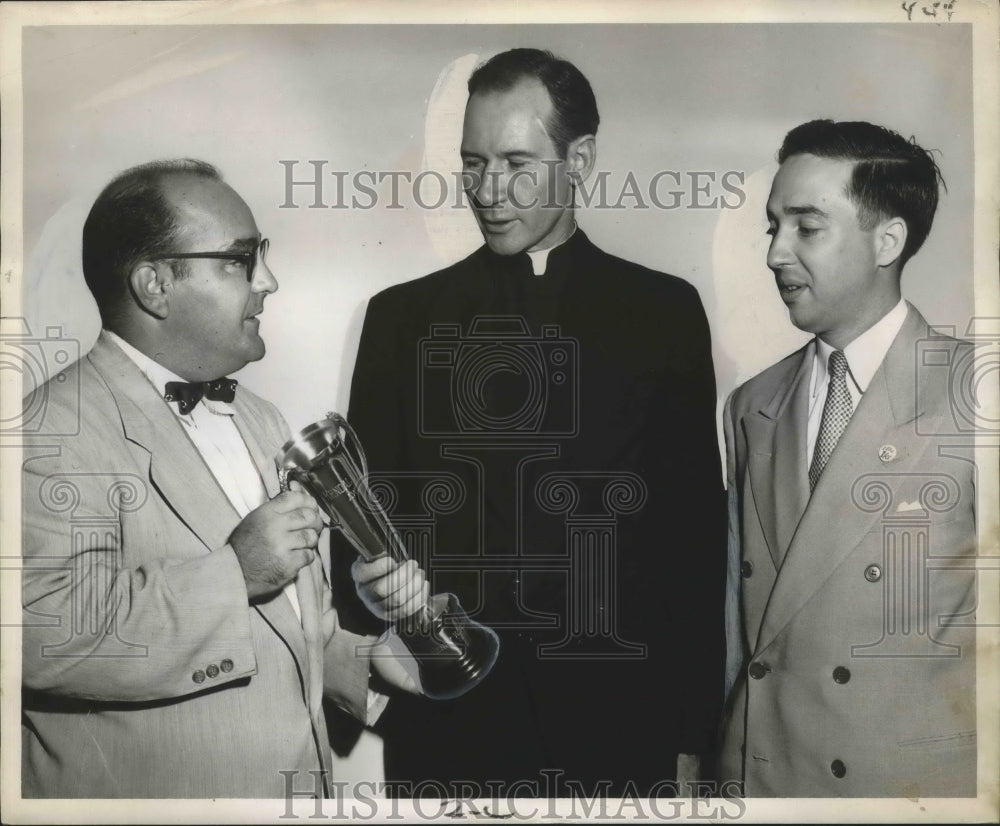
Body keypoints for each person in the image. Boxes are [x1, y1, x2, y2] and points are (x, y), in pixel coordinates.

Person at [338, 48, 726, 797]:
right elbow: (357, 526)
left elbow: (692, 544)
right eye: (472, 162)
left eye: (517, 162)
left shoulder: (664, 313)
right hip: (445, 724)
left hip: (620, 723)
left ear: (579, 159)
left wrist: (691, 735)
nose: (488, 191)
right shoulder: (399, 320)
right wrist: (384, 677)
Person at [20, 160, 429, 798]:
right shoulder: (50, 427)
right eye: (240, 260)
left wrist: (368, 659)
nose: (268, 281)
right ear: (154, 284)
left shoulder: (262, 420)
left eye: (261, 255)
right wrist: (234, 573)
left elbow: (294, 628)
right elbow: (42, 637)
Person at [718, 120, 977, 796]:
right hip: (763, 782)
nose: (775, 254)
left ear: (887, 240)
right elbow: (733, 631)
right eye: (773, 227)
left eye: (807, 227)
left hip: (907, 791)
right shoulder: (751, 405)